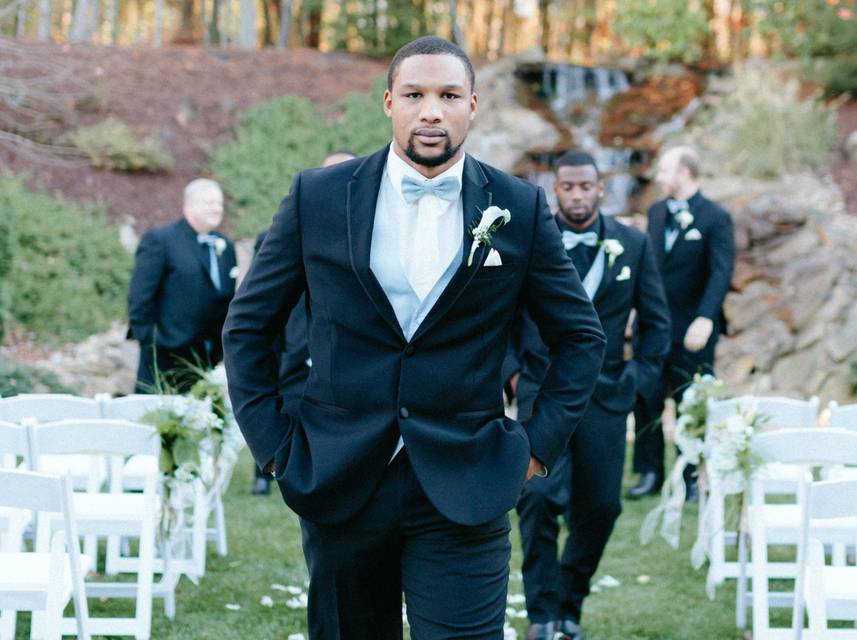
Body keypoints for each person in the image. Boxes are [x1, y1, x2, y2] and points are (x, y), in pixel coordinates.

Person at [222, 36, 605, 640]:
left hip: (468, 478)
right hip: (340, 476)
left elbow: (581, 337)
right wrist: (273, 445)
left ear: (472, 105)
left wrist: (535, 447)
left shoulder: (519, 207)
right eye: (415, 95)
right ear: (389, 103)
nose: (432, 110)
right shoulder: (317, 196)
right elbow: (248, 325)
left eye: (449, 95)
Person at [508, 150, 670, 640]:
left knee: (602, 507)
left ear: (601, 189)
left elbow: (657, 324)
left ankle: (569, 605)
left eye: (585, 186)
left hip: (606, 396)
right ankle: (541, 615)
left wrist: (637, 381)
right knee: (535, 500)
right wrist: (512, 375)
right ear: (554, 189)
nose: (576, 195)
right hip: (542, 392)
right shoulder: (531, 242)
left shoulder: (633, 245)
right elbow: (500, 317)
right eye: (567, 187)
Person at [627, 145, 735, 501]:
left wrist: (706, 317)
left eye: (664, 171)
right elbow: (646, 267)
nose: (658, 178)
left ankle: (692, 476)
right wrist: (631, 310)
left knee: (693, 402)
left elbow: (721, 273)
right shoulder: (656, 212)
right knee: (646, 399)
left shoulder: (715, 217)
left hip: (693, 329)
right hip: (652, 326)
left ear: (684, 173)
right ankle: (649, 473)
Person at [250, 150, 356, 496]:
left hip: (350, 350)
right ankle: (266, 473)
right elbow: (258, 306)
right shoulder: (281, 230)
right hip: (294, 336)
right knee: (287, 402)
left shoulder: (375, 231)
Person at [127, 178, 237, 392]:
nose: (217, 209)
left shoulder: (226, 247)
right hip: (165, 355)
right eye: (209, 203)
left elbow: (226, 299)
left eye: (220, 204)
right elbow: (140, 297)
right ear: (189, 205)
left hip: (208, 357)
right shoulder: (161, 241)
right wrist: (150, 342)